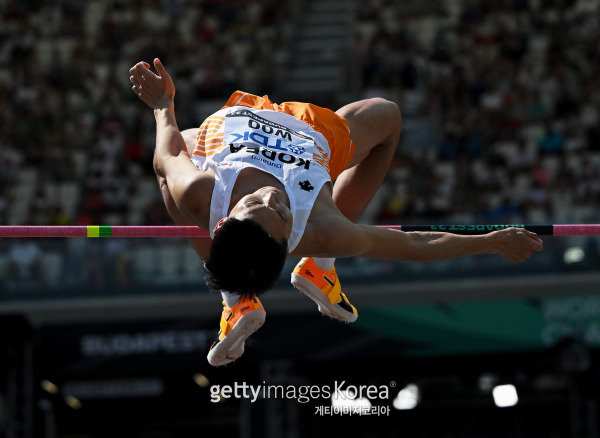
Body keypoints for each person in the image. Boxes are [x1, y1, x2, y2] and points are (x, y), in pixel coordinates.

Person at [129, 59, 544, 366]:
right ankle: (281, 281)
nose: (274, 198)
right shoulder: (321, 226)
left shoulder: (201, 190)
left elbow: (167, 151)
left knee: (173, 165)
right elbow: (414, 243)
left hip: (234, 131)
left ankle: (266, 288)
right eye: (282, 215)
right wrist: (489, 242)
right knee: (388, 118)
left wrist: (163, 104)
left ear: (225, 221)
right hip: (310, 141)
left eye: (257, 206)